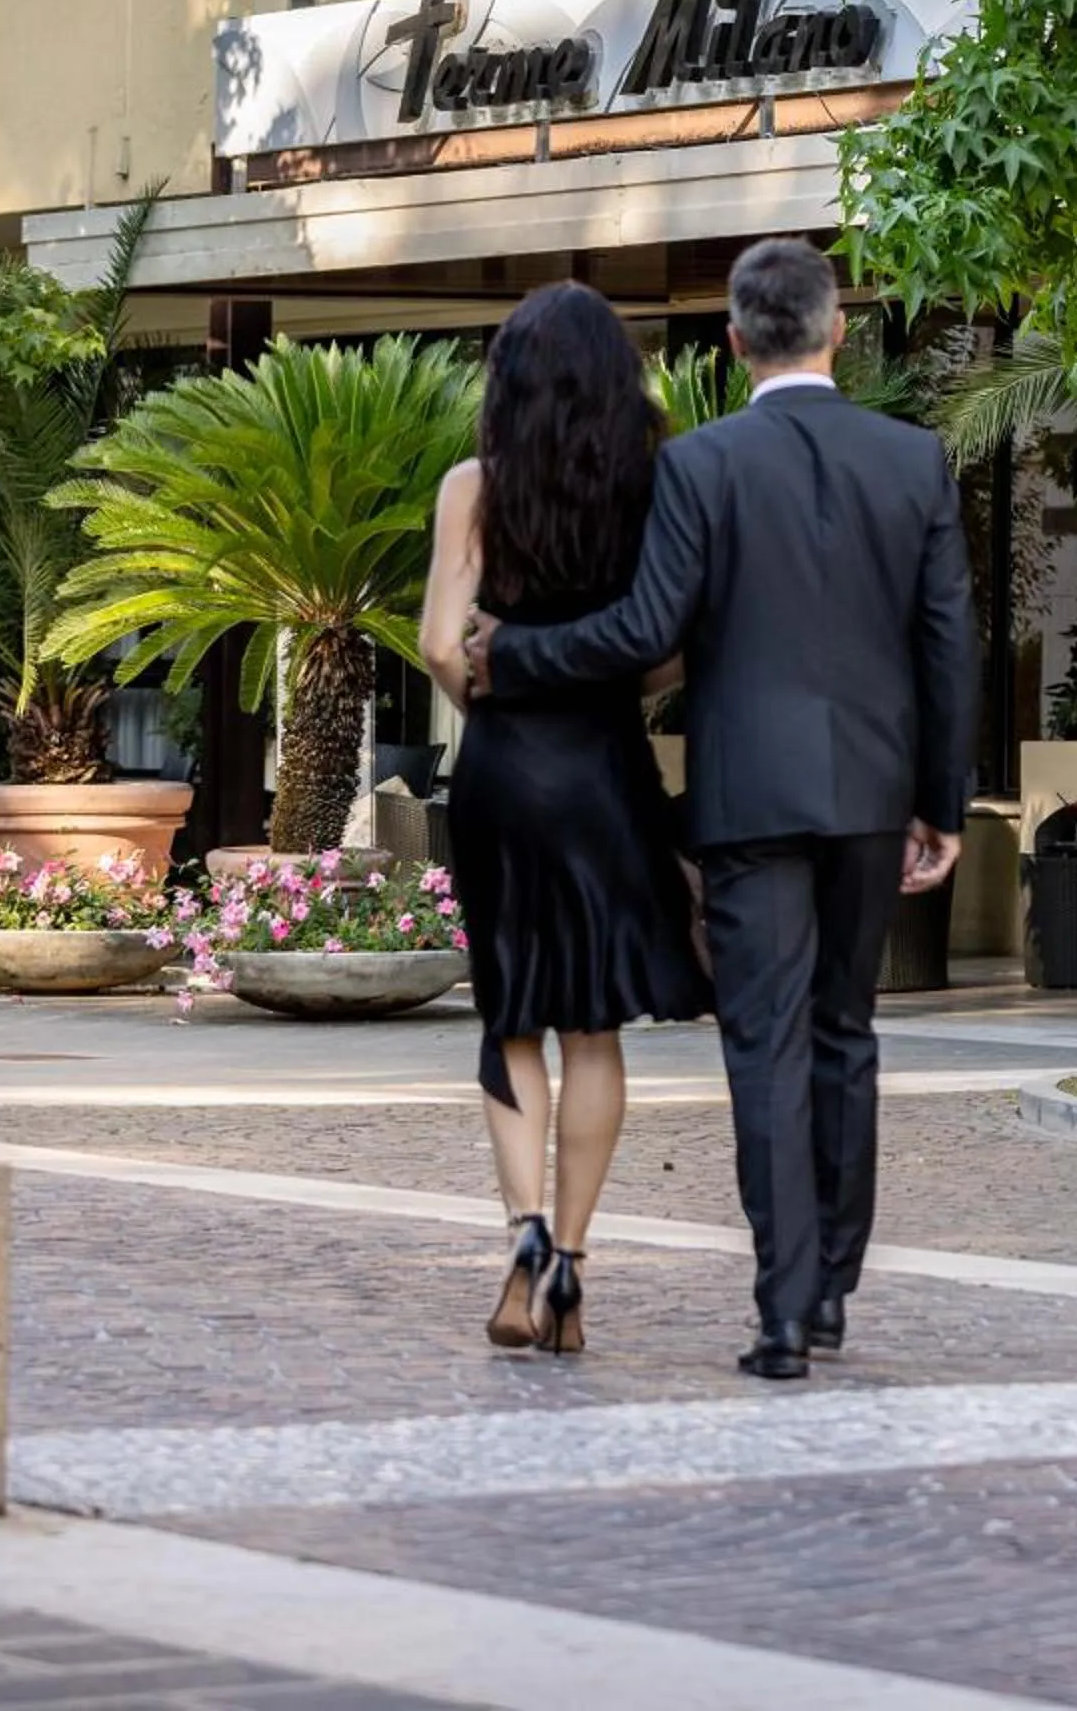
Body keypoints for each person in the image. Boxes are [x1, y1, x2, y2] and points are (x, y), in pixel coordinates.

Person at [463, 236, 978, 1382]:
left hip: (746, 800)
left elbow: (645, 632)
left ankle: (782, 1314)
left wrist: (516, 654)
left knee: (765, 1046)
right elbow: (948, 644)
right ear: (837, 329)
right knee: (845, 1033)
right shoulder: (913, 459)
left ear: (735, 339)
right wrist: (941, 803)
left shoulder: (699, 464)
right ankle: (829, 1287)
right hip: (869, 795)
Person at [420, 282, 709, 1356]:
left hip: (503, 773)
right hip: (606, 770)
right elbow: (676, 646)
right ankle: (575, 1261)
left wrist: (493, 708)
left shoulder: (473, 488)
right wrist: (606, 691)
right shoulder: (654, 487)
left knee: (511, 1016)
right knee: (592, 1026)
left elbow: (440, 644)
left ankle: (525, 1238)